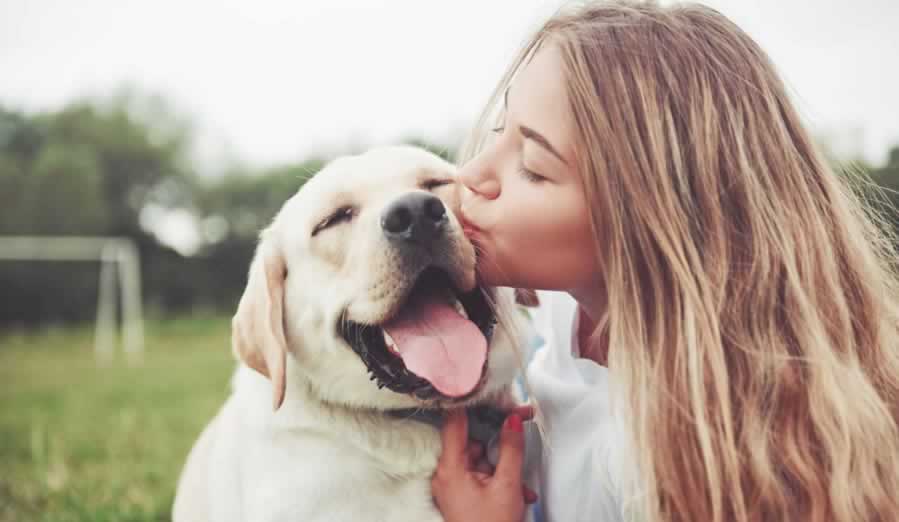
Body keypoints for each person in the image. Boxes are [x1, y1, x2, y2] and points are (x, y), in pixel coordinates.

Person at [429, 2, 899, 522]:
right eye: (501, 131)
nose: (471, 173)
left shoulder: (663, 468)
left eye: (535, 169)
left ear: (645, 223)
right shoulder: (573, 306)